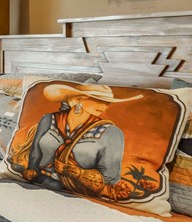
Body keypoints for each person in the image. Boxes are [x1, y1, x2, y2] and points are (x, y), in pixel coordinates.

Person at [8, 83, 143, 200]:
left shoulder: (110, 133)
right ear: (79, 99)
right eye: (98, 100)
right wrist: (31, 169)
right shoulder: (49, 119)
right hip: (37, 181)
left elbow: (110, 177)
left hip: (75, 192)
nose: (104, 106)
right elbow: (35, 151)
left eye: (107, 102)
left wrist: (74, 172)